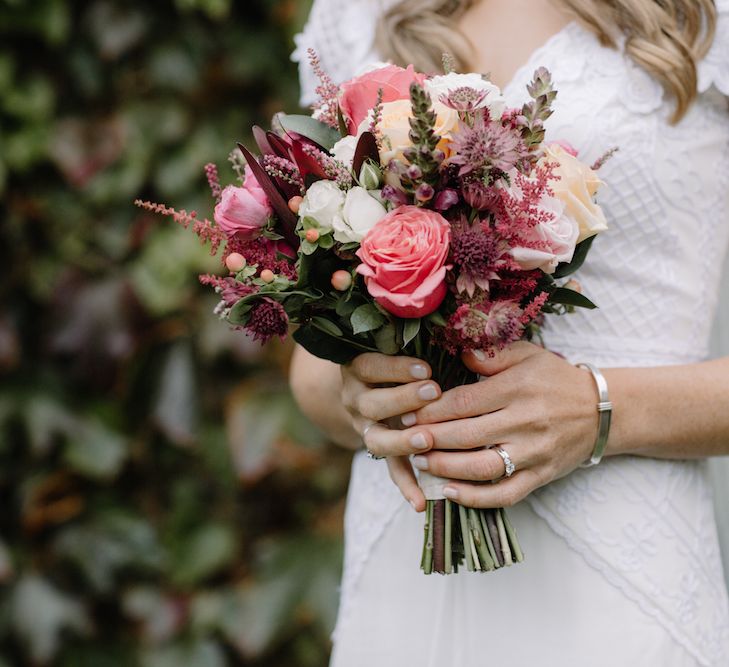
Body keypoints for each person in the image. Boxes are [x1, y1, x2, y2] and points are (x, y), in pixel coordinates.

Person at [289, 0, 729, 664]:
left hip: (618, 575)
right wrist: (364, 391)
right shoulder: (358, 12)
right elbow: (313, 377)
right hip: (404, 558)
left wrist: (599, 408)